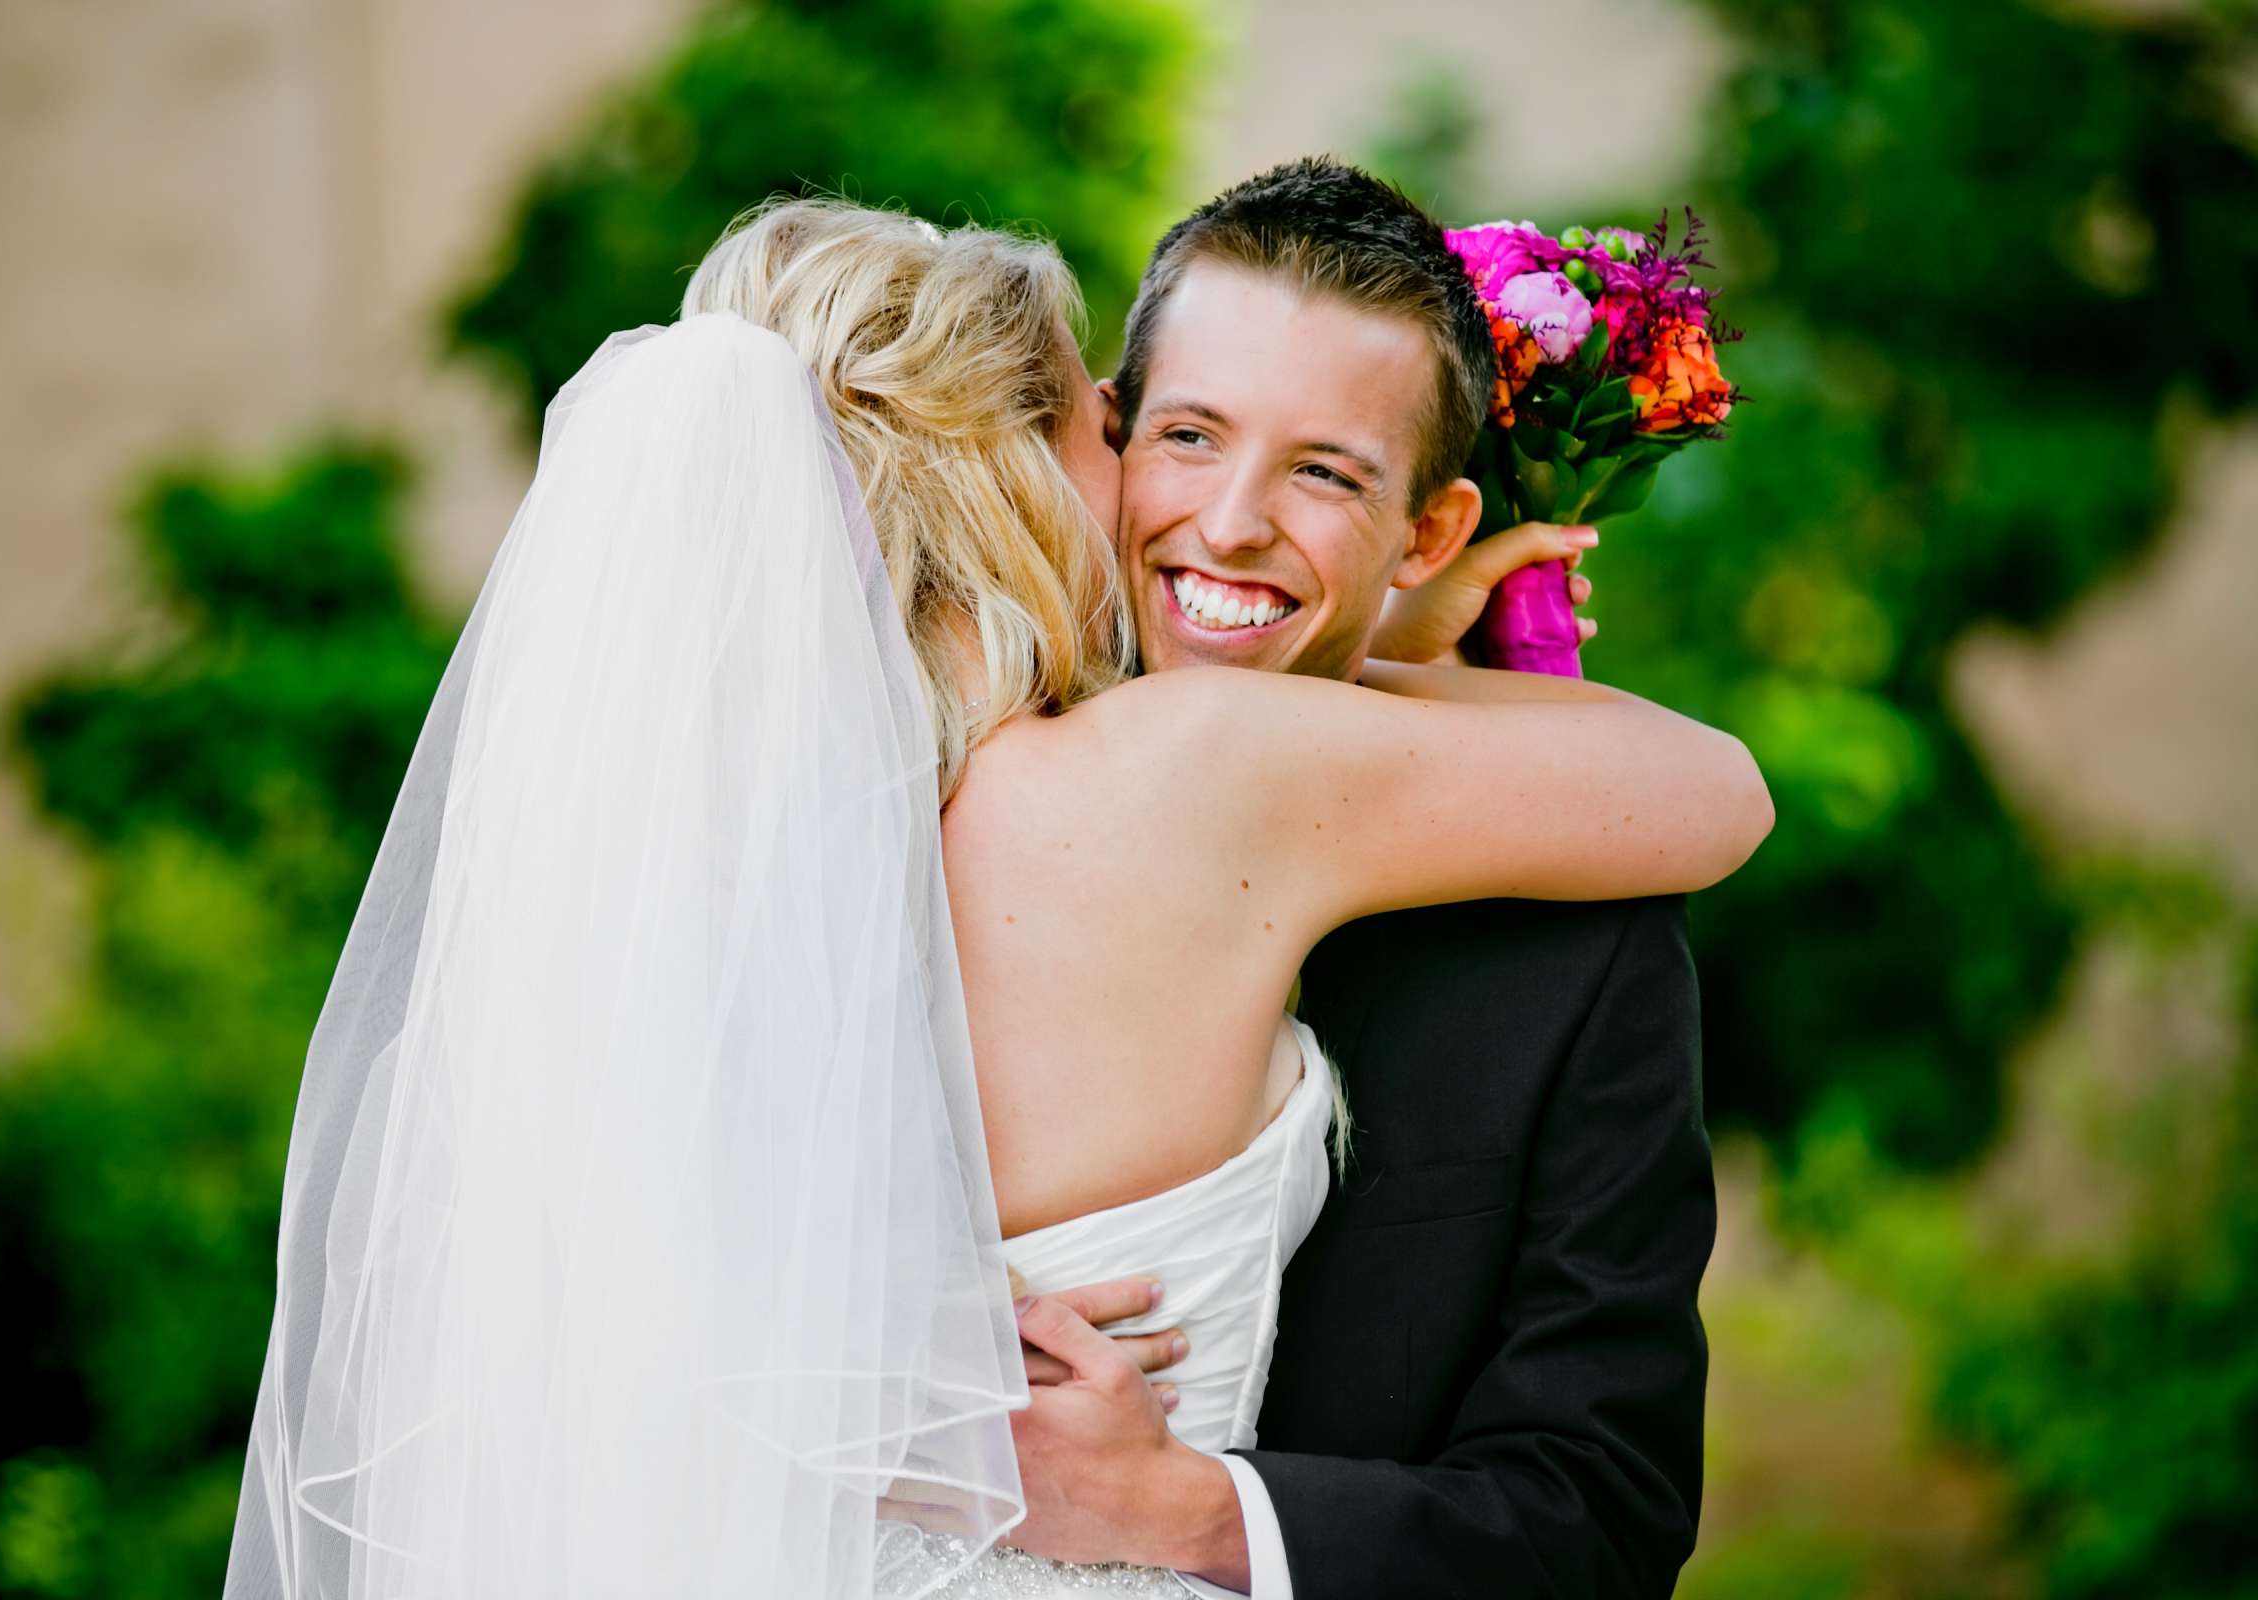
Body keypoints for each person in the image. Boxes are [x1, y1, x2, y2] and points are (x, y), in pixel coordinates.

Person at [224, 195, 1770, 1598]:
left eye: (1318, 472)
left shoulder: (707, 860)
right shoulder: (1188, 769)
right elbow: (1724, 792)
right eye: (1145, 431)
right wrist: (1393, 662)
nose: (1219, 523)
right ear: (1016, 458)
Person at [999, 159, 1720, 1599]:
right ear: (1112, 432)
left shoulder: (1581, 957)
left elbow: (1601, 1512)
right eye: (1193, 436)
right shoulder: (931, 803)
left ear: (1433, 534)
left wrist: (1200, 1515)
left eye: (1325, 472)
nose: (1233, 523)